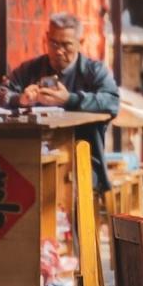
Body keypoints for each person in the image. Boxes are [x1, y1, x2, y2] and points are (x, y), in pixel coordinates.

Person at [10, 12, 120, 209]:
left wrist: (70, 99)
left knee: (74, 197)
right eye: (53, 43)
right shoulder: (31, 70)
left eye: (66, 45)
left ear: (80, 42)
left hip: (81, 163)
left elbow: (111, 101)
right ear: (46, 39)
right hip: (32, 161)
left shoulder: (93, 71)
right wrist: (20, 99)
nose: (58, 51)